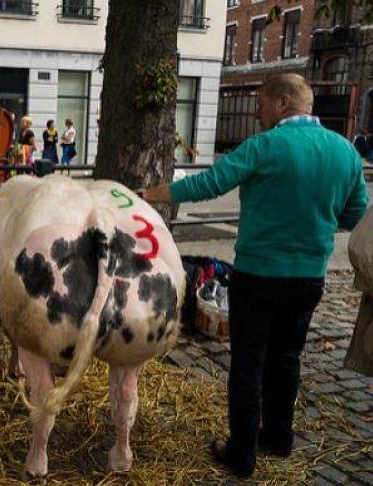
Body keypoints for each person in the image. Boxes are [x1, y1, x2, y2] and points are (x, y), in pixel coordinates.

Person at [142, 74, 369, 479]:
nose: (257, 111)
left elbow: (209, 184)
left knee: (247, 364)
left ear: (283, 102)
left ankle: (241, 453)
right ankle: (279, 437)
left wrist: (152, 196)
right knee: (287, 358)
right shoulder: (346, 152)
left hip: (258, 276)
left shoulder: (263, 147)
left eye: (261, 103)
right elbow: (354, 215)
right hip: (309, 278)